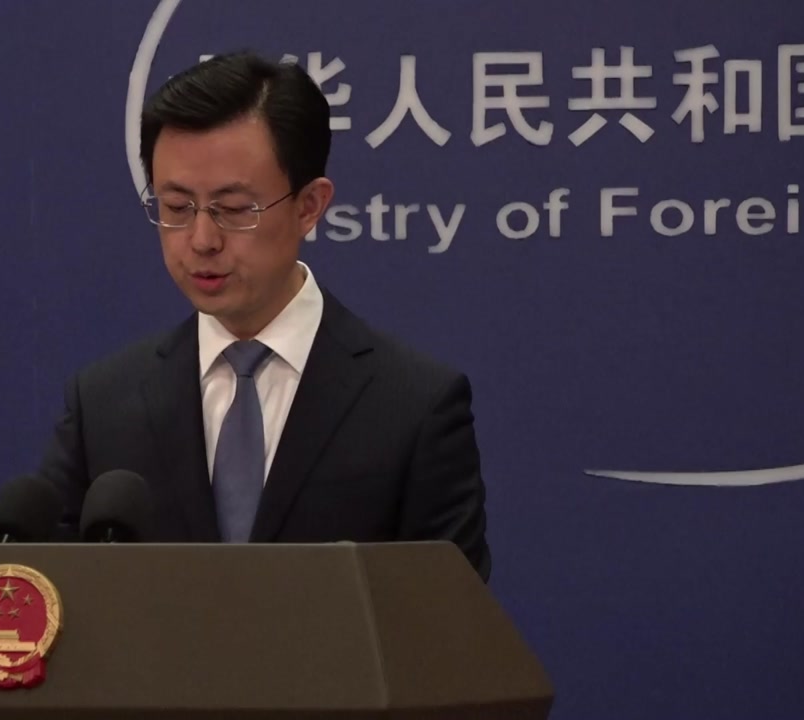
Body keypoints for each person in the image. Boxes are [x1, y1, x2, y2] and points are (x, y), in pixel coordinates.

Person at [36, 50, 490, 581]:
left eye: (233, 210)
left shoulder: (414, 406)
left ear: (309, 206)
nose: (201, 240)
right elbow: (47, 593)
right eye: (176, 207)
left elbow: (446, 617)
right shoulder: (104, 404)